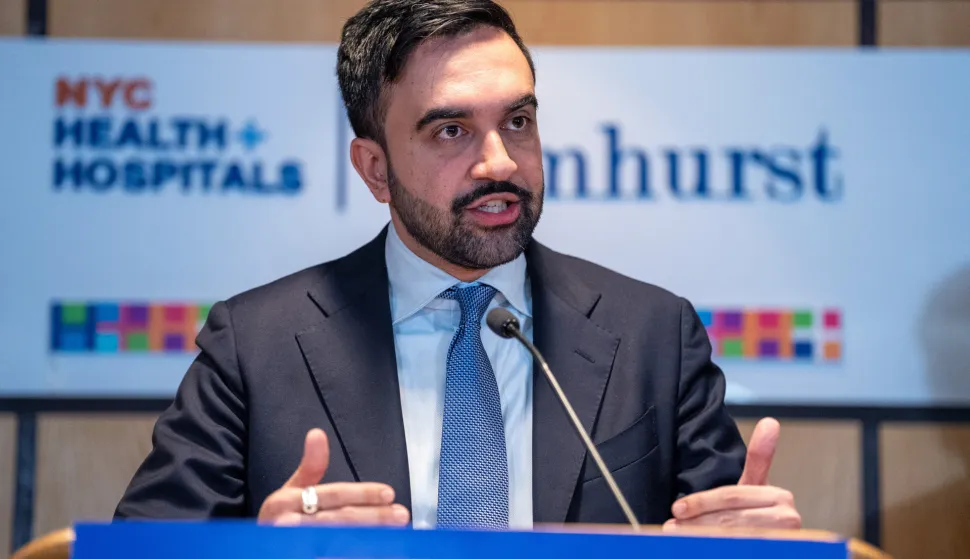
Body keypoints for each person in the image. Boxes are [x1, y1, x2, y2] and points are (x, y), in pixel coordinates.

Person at [114, 0, 800, 531]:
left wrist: (753, 547)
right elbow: (140, 545)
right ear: (375, 168)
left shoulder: (655, 336)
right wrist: (261, 551)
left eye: (518, 122)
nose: (500, 162)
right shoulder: (255, 346)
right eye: (452, 130)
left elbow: (722, 530)